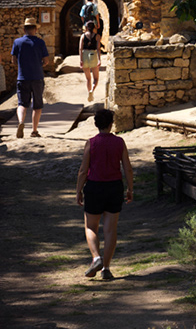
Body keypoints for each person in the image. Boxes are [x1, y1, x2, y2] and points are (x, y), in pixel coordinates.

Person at [75, 106, 134, 280]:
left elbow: (83, 170)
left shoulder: (91, 143)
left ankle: (96, 257)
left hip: (94, 187)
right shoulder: (119, 142)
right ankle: (106, 268)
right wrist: (130, 188)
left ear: (96, 124)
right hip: (114, 187)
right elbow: (128, 168)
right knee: (110, 230)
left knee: (90, 226)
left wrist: (78, 190)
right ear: (111, 124)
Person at [11, 15, 51, 138]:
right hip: (37, 77)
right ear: (36, 29)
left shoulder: (17, 42)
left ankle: (21, 122)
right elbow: (46, 61)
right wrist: (40, 65)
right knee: (37, 105)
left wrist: (22, 66)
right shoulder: (40, 42)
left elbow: (13, 60)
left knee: (22, 103)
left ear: (24, 29)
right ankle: (34, 130)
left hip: (22, 77)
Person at [78, 19, 103, 104]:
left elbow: (80, 48)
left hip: (85, 55)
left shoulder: (83, 36)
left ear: (86, 27)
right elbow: (98, 48)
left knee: (88, 79)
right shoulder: (97, 36)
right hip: (93, 55)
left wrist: (81, 59)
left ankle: (89, 92)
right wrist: (99, 59)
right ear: (94, 27)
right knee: (96, 78)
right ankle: (92, 90)